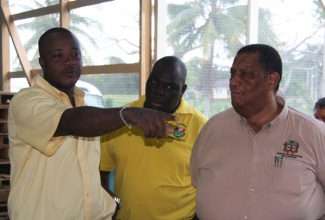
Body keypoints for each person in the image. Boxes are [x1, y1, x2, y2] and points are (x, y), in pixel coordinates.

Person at [7, 27, 178, 220]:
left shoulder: (84, 106)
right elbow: (70, 121)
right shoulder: (27, 102)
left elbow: (85, 171)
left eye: (75, 54)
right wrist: (129, 114)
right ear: (42, 63)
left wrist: (109, 203)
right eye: (58, 56)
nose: (69, 61)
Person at [190, 44, 325, 220]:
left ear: (272, 80)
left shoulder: (313, 133)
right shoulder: (213, 128)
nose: (233, 82)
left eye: (244, 75)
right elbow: (196, 179)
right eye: (232, 74)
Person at [100, 56, 207, 220]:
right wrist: (111, 202)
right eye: (155, 82)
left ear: (183, 90)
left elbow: (211, 183)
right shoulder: (122, 116)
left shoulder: (200, 126)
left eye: (170, 87)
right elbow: (101, 169)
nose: (159, 92)